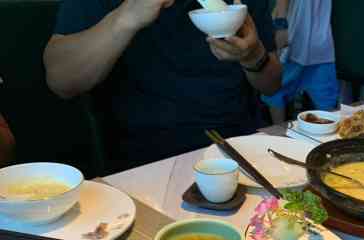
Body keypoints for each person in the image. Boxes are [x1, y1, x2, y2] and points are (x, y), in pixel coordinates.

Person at [43, 0, 281, 172]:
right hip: (144, 159)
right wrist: (127, 16)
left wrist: (253, 56)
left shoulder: (240, 5)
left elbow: (272, 84)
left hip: (238, 148)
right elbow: (61, 81)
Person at [262, 0, 339, 123]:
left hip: (316, 46)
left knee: (328, 108)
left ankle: (280, 137)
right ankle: (279, 138)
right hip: (296, 42)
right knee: (275, 92)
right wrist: (280, 26)